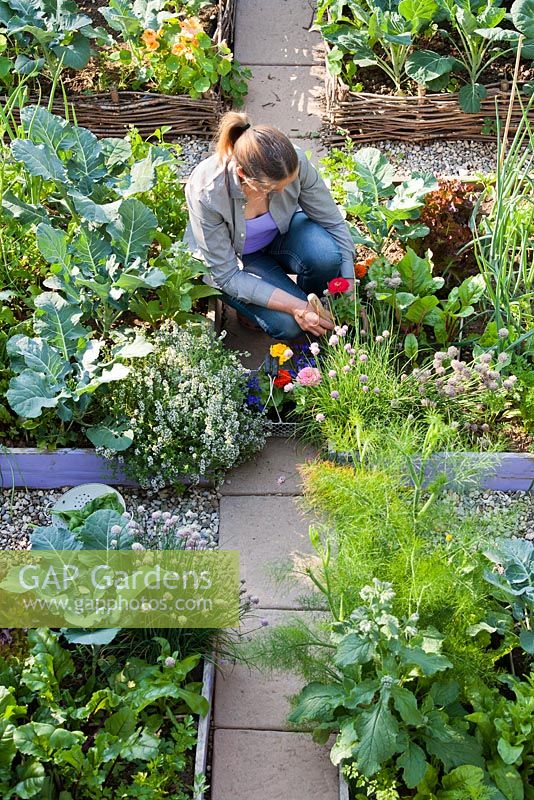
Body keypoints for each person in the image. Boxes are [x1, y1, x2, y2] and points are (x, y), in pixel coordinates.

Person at [184, 111, 355, 340]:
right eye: (273, 189)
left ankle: (310, 306)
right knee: (288, 324)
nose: (283, 192)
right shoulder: (207, 191)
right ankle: (273, 310)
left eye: (288, 184)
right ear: (243, 174)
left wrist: (348, 281)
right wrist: (297, 307)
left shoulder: (290, 162)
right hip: (236, 260)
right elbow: (227, 276)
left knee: (326, 255)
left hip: (281, 233)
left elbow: (333, 222)